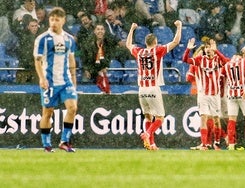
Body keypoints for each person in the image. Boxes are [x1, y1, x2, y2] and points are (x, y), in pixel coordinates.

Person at [125, 20, 182, 150]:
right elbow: (175, 42)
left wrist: (132, 29)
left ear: (146, 43)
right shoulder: (158, 50)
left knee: (148, 116)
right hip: (153, 87)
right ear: (155, 42)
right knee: (160, 118)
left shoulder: (139, 52)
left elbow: (128, 44)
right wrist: (179, 27)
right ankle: (147, 133)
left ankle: (151, 144)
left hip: (141, 89)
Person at [33, 7, 78, 152]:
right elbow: (37, 61)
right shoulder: (42, 39)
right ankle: (46, 144)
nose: (53, 22)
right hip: (49, 81)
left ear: (63, 21)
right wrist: (41, 78)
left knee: (72, 108)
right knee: (48, 113)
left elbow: (71, 60)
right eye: (51, 19)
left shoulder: (69, 39)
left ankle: (64, 141)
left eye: (57, 20)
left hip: (65, 81)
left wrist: (74, 80)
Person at [182, 38, 230, 150]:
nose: (208, 49)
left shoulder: (218, 60)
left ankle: (216, 143)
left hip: (215, 95)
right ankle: (204, 144)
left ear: (214, 48)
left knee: (216, 120)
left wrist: (217, 51)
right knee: (203, 118)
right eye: (207, 47)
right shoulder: (200, 60)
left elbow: (227, 62)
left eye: (210, 47)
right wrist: (188, 49)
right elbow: (185, 60)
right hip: (203, 95)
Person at [81, 23, 118, 94]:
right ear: (94, 31)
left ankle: (106, 93)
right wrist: (86, 70)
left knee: (104, 76)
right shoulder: (88, 43)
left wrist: (105, 67)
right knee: (85, 81)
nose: (100, 31)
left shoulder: (108, 43)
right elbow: (84, 59)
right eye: (98, 29)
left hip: (102, 68)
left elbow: (108, 57)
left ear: (104, 31)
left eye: (102, 29)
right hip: (90, 70)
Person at [16, 17, 39, 84]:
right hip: (24, 67)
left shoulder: (40, 37)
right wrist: (17, 21)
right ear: (28, 27)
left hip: (35, 68)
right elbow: (14, 29)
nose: (34, 28)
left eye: (36, 26)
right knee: (21, 89)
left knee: (37, 88)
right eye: (32, 26)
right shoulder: (23, 36)